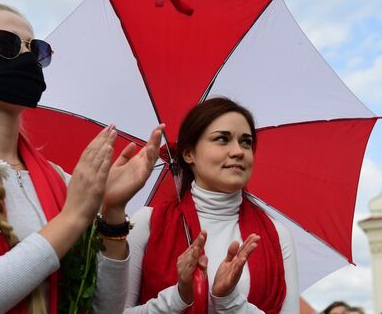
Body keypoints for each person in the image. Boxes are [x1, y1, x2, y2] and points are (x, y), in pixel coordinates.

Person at [0, 3, 163, 313]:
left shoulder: (58, 179)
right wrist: (74, 217)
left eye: (37, 50)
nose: (28, 58)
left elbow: (105, 309)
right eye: (7, 44)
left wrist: (111, 213)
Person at [123, 97, 299, 313]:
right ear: (189, 154)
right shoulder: (147, 222)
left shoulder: (277, 235)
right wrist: (177, 297)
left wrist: (229, 300)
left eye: (246, 141)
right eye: (222, 139)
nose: (239, 151)